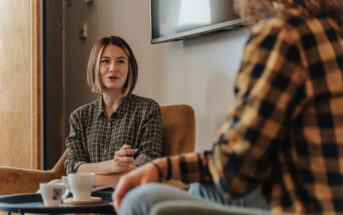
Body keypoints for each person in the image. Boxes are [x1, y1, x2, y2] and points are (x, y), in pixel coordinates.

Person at [112, 0, 343, 214]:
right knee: (201, 189)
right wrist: (164, 166)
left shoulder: (284, 33)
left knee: (139, 200)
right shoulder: (329, 28)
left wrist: (164, 167)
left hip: (307, 205)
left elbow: (235, 173)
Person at [64, 36, 163, 187]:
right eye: (105, 61)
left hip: (128, 197)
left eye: (121, 61)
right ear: (95, 66)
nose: (113, 68)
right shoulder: (79, 116)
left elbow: (147, 164)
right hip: (85, 200)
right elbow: (74, 166)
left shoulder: (148, 109)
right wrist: (113, 165)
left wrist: (87, 178)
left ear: (130, 67)